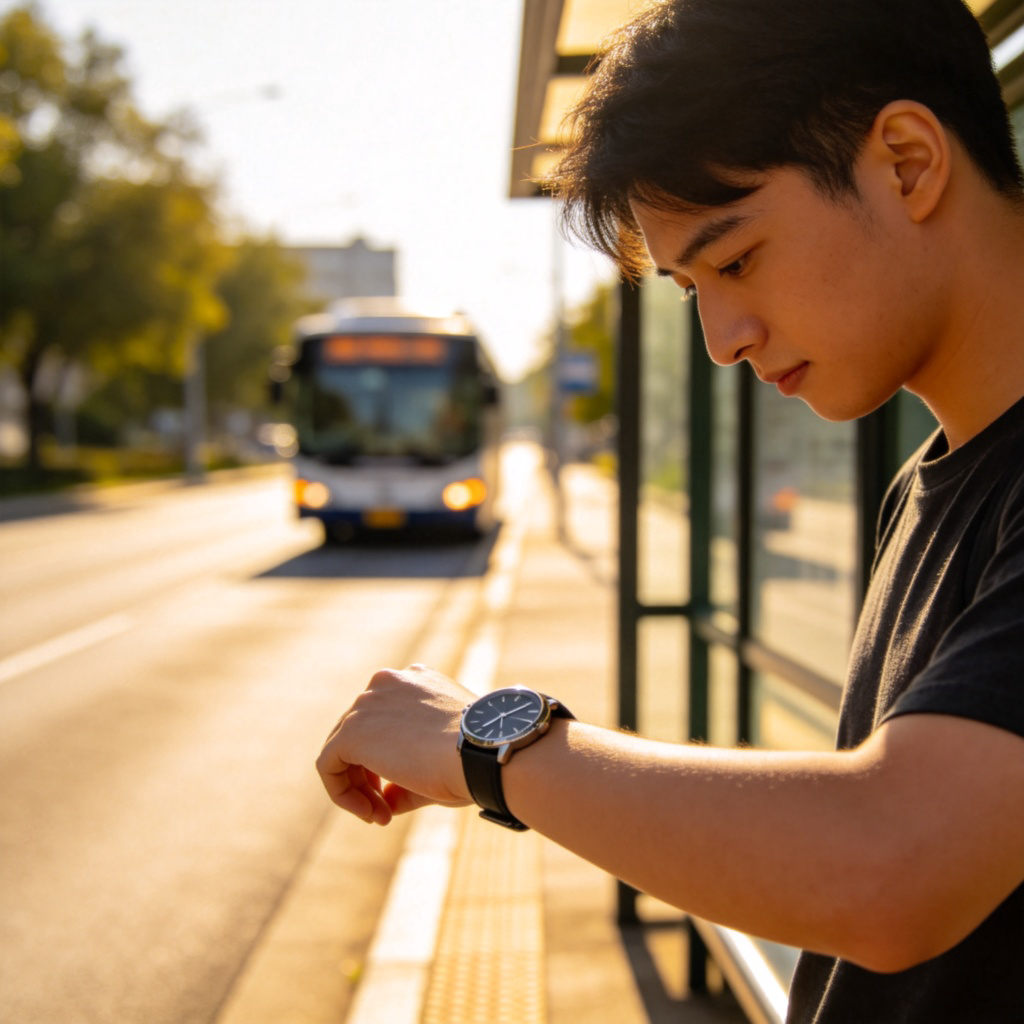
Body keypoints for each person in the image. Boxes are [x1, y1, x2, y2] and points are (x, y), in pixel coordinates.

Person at [316, 1, 1024, 1020]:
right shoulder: (924, 485)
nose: (723, 340)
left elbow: (890, 863)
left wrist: (488, 743)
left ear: (907, 162)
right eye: (693, 288)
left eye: (734, 259)